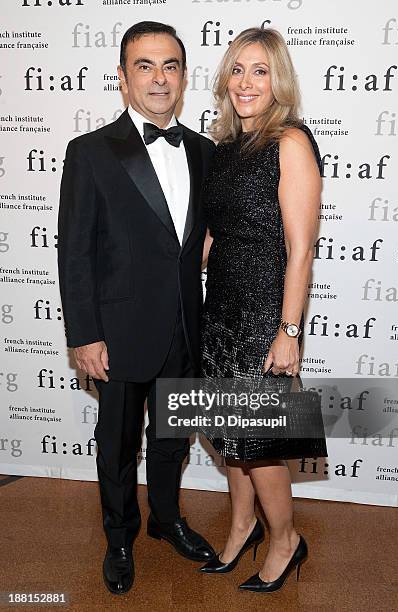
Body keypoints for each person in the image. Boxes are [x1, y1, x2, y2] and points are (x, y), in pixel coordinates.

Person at [57, 21, 216, 595]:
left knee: (173, 437)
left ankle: (166, 519)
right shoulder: (91, 151)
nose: (158, 77)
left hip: (185, 325)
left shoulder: (202, 150)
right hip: (118, 331)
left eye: (170, 65)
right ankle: (119, 537)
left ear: (184, 76)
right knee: (118, 445)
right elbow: (74, 250)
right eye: (144, 66)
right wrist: (84, 334)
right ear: (122, 77)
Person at [199, 27, 325, 593]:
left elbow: (301, 249)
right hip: (220, 311)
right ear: (226, 79)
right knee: (232, 439)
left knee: (263, 446)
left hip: (263, 318)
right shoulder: (224, 149)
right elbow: (216, 237)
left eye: (260, 70)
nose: (246, 81)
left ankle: (285, 541)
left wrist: (288, 331)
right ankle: (242, 525)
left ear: (278, 81)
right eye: (238, 69)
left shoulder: (290, 142)